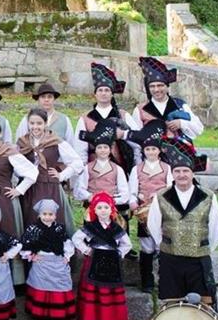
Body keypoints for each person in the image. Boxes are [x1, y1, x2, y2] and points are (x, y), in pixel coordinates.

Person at [147, 142, 218, 307]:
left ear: (192, 173)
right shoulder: (161, 196)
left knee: (202, 303)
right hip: (170, 258)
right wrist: (167, 244)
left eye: (186, 171)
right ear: (172, 174)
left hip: (199, 259)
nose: (182, 175)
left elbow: (216, 227)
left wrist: (203, 247)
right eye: (177, 171)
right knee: (172, 303)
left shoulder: (208, 196)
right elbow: (154, 225)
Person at [16, 108, 84, 232]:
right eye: (32, 123)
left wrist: (62, 175)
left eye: (39, 123)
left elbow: (77, 163)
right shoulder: (22, 142)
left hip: (48, 186)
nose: (35, 127)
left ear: (45, 124)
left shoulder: (55, 141)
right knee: (30, 219)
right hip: (28, 187)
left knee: (49, 218)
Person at [73, 192, 131, 320]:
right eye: (99, 208)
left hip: (111, 265)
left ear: (112, 209)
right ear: (94, 210)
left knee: (108, 292)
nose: (103, 210)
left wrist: (119, 254)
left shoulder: (117, 228)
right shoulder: (90, 227)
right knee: (95, 293)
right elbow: (76, 239)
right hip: (94, 262)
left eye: (106, 207)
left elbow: (127, 244)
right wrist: (87, 250)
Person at [73, 120, 133, 254]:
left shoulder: (117, 169)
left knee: (110, 239)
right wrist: (91, 198)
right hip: (92, 210)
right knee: (92, 237)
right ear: (95, 148)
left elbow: (125, 194)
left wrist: (110, 201)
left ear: (110, 149)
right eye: (99, 147)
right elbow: (79, 190)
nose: (103, 150)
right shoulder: (88, 168)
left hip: (110, 210)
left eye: (105, 147)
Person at [127, 126, 172, 291]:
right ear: (144, 151)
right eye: (148, 149)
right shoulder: (137, 169)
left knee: (161, 244)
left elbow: (170, 188)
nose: (151, 152)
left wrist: (159, 196)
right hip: (144, 212)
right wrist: (133, 203)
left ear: (159, 151)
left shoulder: (166, 168)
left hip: (161, 211)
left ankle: (165, 279)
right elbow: (132, 190)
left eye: (154, 149)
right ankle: (146, 280)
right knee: (147, 246)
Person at [21, 199, 76, 320]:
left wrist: (67, 256)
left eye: (51, 214)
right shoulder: (33, 228)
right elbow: (24, 244)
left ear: (55, 215)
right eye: (44, 214)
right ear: (39, 214)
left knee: (61, 289)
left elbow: (67, 242)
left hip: (57, 262)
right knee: (42, 290)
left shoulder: (59, 228)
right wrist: (30, 255)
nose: (47, 217)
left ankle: (61, 318)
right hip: (42, 263)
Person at [73, 63, 139, 172]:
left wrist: (122, 134)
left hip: (120, 168)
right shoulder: (85, 119)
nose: (103, 93)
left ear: (112, 94)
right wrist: (83, 173)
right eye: (100, 90)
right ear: (95, 94)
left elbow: (137, 141)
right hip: (94, 169)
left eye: (107, 90)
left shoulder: (123, 115)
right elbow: (81, 150)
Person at [129, 57, 204, 140]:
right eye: (152, 86)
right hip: (152, 152)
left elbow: (199, 128)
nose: (156, 90)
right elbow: (136, 136)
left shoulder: (179, 105)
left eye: (160, 85)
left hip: (178, 149)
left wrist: (181, 123)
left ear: (167, 87)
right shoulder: (140, 110)